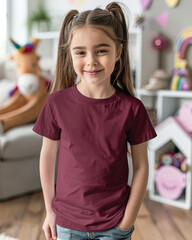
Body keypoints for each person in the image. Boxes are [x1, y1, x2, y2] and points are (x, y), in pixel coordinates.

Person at [32, 2, 157, 240]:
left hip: (115, 225)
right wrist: (50, 211)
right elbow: (47, 159)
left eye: (101, 50)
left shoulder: (133, 109)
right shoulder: (56, 104)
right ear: (70, 55)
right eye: (80, 52)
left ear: (118, 51)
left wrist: (126, 221)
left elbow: (141, 167)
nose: (91, 61)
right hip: (67, 224)